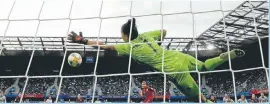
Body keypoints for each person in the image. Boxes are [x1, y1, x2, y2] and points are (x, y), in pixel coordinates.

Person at [67, 18, 245, 102]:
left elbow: (103, 46)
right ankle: (223, 57)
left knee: (197, 99)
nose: (120, 37)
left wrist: (82, 40)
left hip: (174, 70)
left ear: (127, 35)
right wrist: (155, 46)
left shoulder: (130, 46)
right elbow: (164, 32)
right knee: (205, 66)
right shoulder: (146, 35)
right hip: (178, 55)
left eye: (121, 35)